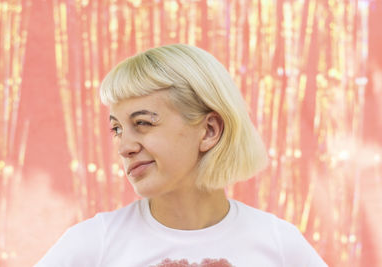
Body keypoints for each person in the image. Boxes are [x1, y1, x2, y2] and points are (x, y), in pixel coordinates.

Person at [35, 44, 328, 267]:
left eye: (143, 123)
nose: (124, 147)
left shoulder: (279, 243)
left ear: (210, 130)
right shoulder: (93, 244)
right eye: (117, 129)